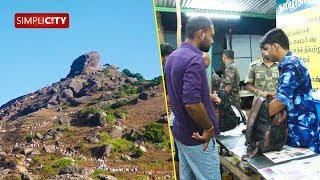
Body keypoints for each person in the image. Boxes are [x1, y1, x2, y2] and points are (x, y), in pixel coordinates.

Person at [164, 16, 221, 179]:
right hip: (198, 138)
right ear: (201, 33)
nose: (212, 41)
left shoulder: (173, 57)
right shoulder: (195, 60)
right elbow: (192, 103)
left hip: (181, 132)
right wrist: (209, 128)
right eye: (211, 35)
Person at [260, 28, 319, 153]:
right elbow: (292, 92)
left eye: (266, 48)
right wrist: (276, 94)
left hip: (302, 128)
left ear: (275, 46)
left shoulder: (290, 65)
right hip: (296, 126)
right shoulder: (290, 62)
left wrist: (259, 119)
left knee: (305, 167)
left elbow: (281, 101)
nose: (265, 54)